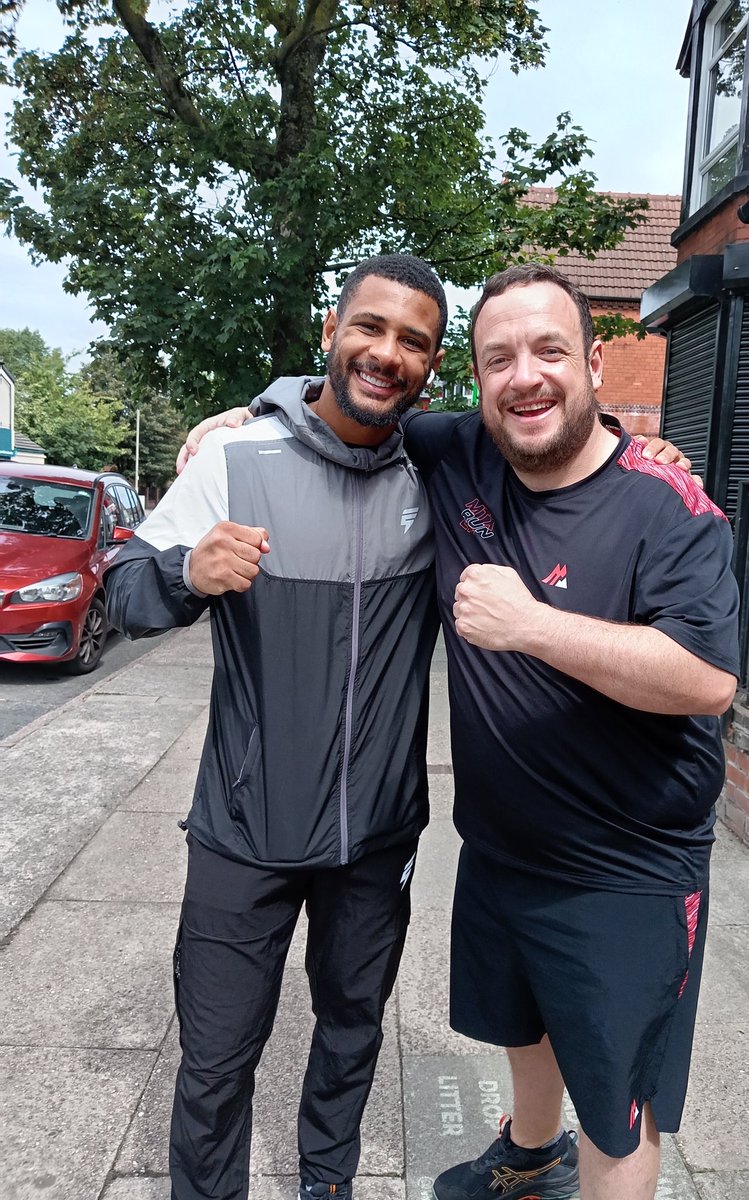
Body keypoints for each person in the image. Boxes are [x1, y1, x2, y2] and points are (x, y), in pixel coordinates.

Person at [173, 261, 713, 1200]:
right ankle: (525, 1156)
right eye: (499, 357)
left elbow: (707, 680)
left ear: (593, 361)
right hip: (496, 850)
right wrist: (246, 422)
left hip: (623, 865)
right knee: (522, 1027)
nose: (525, 376)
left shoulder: (662, 503)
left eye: (549, 351)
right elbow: (342, 402)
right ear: (474, 380)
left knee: (618, 1108)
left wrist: (535, 623)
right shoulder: (459, 452)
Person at [105, 254, 449, 1200]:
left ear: (432, 362)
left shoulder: (441, 462)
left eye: (413, 341)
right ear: (333, 334)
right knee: (215, 1064)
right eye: (370, 328)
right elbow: (123, 589)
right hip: (243, 833)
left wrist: (637, 440)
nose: (387, 354)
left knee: (351, 1034)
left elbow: (543, 432)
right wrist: (186, 575)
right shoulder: (234, 459)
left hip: (376, 838)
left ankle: (325, 1184)